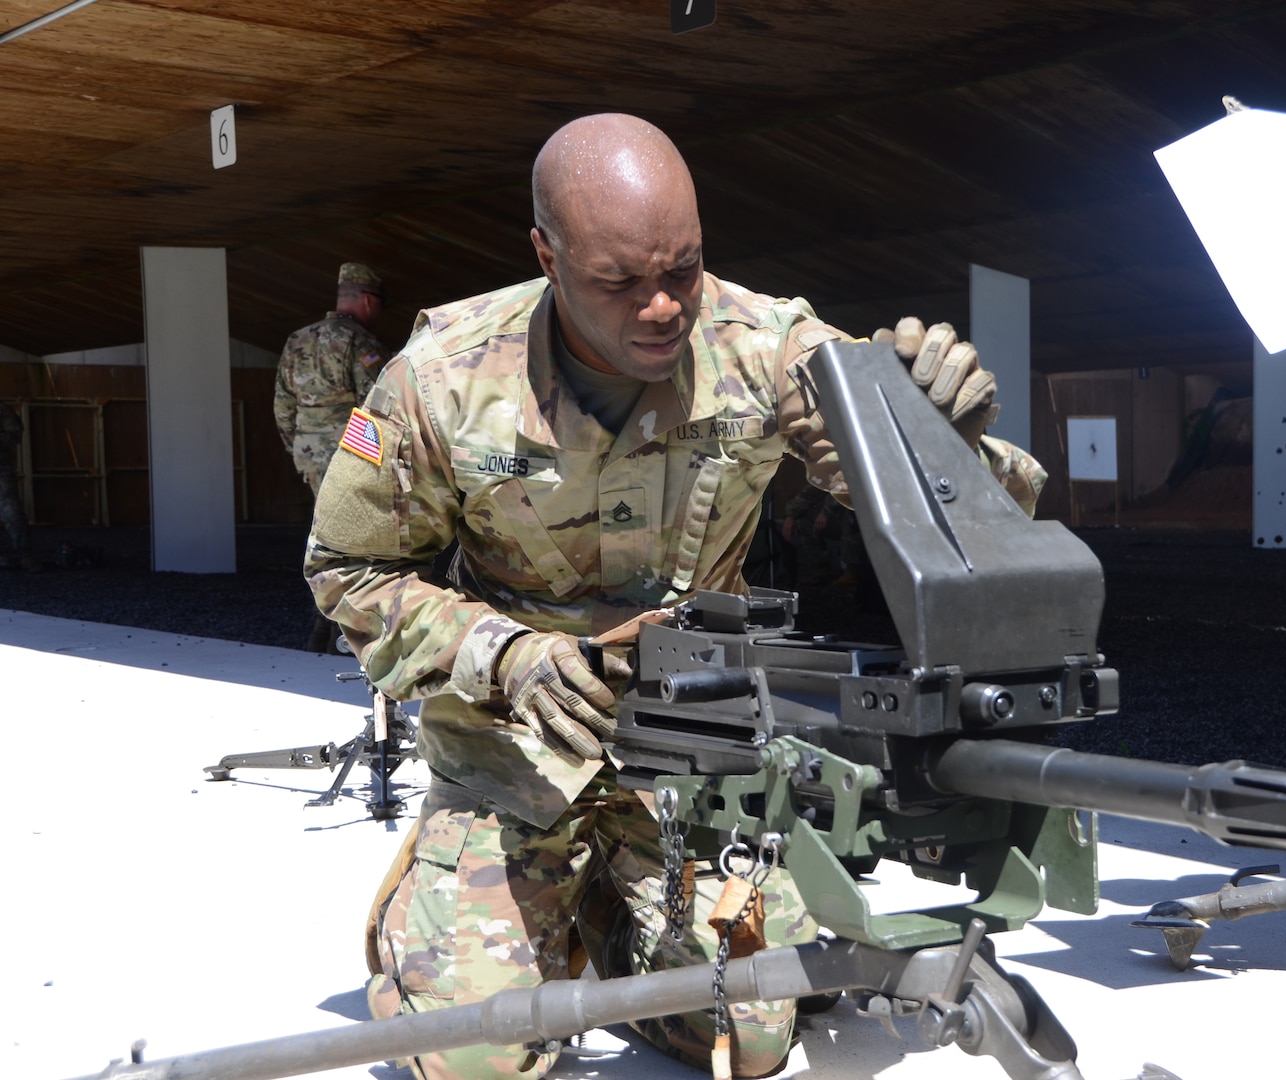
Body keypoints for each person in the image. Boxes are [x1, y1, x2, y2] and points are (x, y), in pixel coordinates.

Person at [304, 113, 1044, 1080]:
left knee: (754, 1044)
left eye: (683, 271)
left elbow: (996, 512)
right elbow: (348, 571)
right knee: (471, 1059)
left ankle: (606, 914)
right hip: (517, 753)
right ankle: (496, 897)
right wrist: (507, 653)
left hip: (698, 758)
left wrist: (943, 441)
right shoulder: (441, 381)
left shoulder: (768, 345)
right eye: (618, 280)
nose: (661, 308)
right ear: (546, 254)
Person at [275, 261, 387, 652]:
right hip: (349, 458)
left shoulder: (296, 341)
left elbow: (283, 406)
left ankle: (320, 627)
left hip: (309, 456)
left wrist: (300, 449)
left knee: (320, 538)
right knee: (355, 545)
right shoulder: (360, 342)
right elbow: (377, 407)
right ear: (368, 300)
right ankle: (343, 630)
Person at [0, 402, 38, 572]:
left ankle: (26, 554)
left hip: (1, 470)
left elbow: (14, 433)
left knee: (12, 513)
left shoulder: (2, 409)